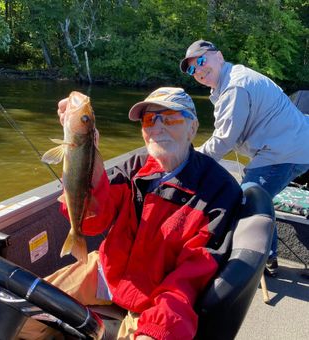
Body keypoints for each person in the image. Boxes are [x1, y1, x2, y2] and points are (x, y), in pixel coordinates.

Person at [18, 87, 242, 340]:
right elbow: (94, 222)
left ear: (193, 128)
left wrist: (159, 328)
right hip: (107, 270)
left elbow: (192, 277)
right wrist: (88, 153)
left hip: (155, 297)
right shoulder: (134, 167)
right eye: (149, 120)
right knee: (18, 315)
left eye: (170, 118)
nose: (157, 127)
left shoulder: (220, 190)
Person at [179, 39, 309, 276]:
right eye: (191, 69)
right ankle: (268, 258)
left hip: (284, 152)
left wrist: (190, 160)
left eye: (200, 60)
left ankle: (258, 260)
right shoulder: (228, 81)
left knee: (248, 201)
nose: (197, 70)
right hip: (286, 147)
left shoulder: (234, 87)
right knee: (260, 198)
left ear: (218, 56)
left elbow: (223, 140)